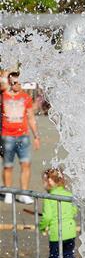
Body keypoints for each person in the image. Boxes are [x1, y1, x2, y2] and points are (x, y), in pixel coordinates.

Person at [38, 167, 80, 258]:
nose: (44, 184)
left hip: (56, 233)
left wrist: (42, 227)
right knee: (68, 254)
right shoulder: (68, 195)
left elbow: (47, 216)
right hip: (70, 231)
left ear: (51, 182)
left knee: (54, 257)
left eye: (44, 181)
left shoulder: (49, 197)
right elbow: (74, 210)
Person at [2, 71, 41, 204]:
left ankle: (23, 193)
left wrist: (36, 136)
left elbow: (31, 117)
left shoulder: (26, 98)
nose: (17, 85)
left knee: (26, 164)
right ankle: (8, 192)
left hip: (23, 136)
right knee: (8, 165)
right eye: (14, 82)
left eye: (19, 82)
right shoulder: (3, 97)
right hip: (7, 136)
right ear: (9, 83)